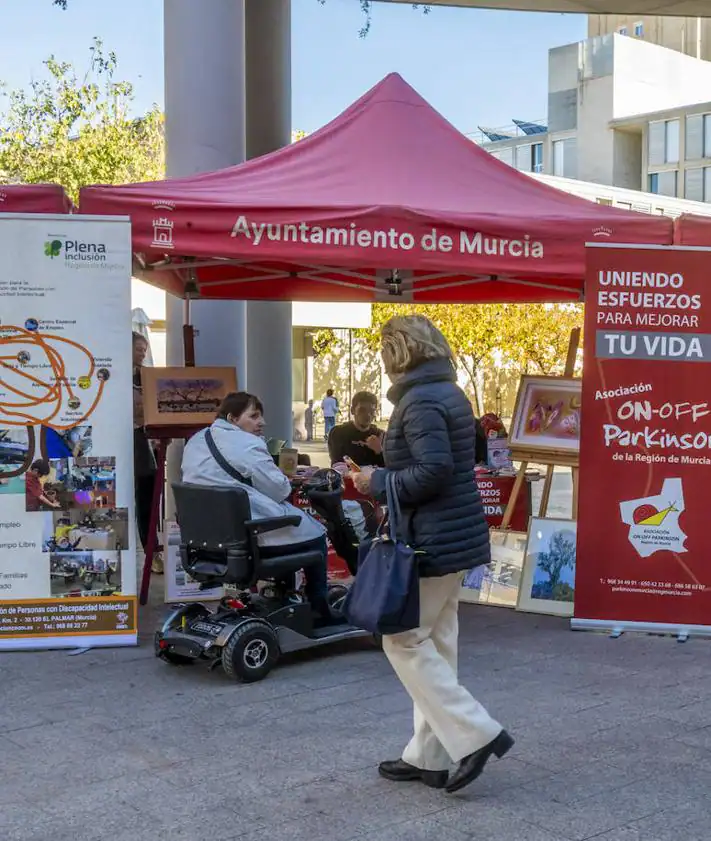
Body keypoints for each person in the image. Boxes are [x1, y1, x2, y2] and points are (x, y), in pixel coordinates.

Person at [351, 314, 513, 794]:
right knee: (437, 642)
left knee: (403, 641)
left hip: (431, 538)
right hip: (456, 535)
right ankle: (430, 755)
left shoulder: (418, 402)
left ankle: (475, 734)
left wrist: (374, 480)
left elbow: (433, 472)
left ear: (397, 354)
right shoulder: (447, 393)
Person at [181, 391, 339, 625]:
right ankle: (319, 608)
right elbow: (280, 490)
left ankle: (279, 596)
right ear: (233, 419)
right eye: (254, 416)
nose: (261, 423)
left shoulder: (196, 440)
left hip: (207, 538)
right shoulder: (247, 444)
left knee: (293, 530)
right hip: (248, 536)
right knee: (315, 535)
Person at [132, 332, 162, 573]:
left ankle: (152, 550)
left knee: (148, 498)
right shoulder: (117, 376)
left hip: (147, 441)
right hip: (129, 439)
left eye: (144, 349)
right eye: (138, 349)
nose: (143, 353)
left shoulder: (148, 377)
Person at [328, 391, 385, 469]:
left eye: (372, 411)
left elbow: (389, 468)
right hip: (348, 479)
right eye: (362, 410)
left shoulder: (380, 435)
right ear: (352, 410)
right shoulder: (338, 433)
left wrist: (379, 451)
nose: (368, 415)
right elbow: (337, 465)